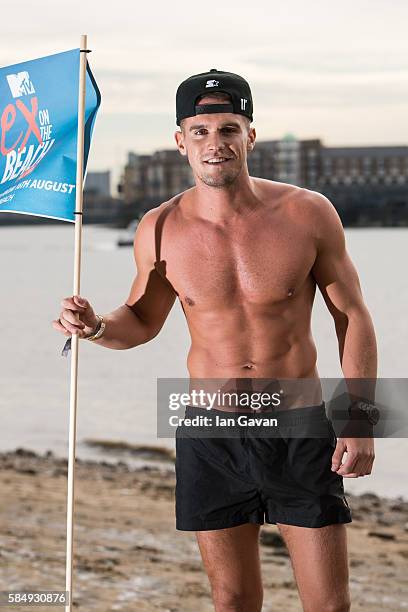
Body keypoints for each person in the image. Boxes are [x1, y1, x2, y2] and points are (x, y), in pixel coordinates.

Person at [52, 69, 377, 612]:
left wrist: (361, 418)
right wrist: (96, 327)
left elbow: (355, 318)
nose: (215, 143)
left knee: (328, 605)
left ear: (250, 134)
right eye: (199, 131)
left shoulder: (308, 212)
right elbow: (142, 320)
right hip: (209, 426)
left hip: (296, 420)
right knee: (232, 601)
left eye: (228, 128)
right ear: (180, 140)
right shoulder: (158, 227)